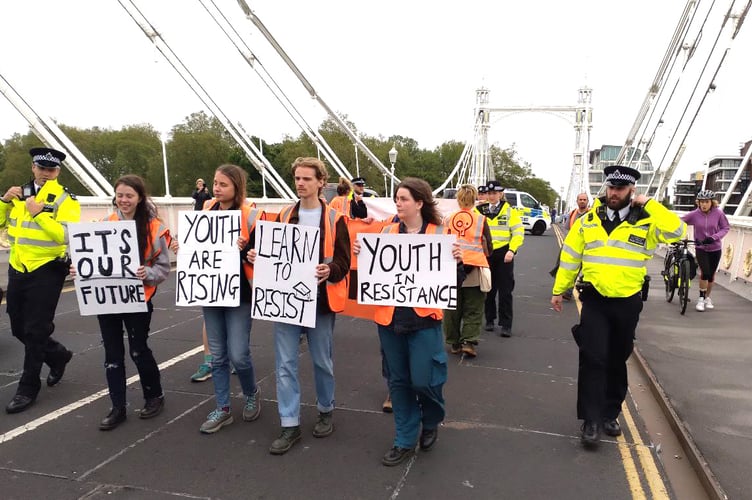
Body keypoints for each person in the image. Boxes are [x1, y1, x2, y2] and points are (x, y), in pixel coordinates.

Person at [551, 165, 686, 448]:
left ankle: (610, 413)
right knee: (593, 358)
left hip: (627, 302)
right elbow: (571, 256)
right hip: (595, 299)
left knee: (616, 358)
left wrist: (650, 204)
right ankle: (590, 420)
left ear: (631, 191)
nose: (614, 193)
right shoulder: (588, 221)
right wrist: (559, 289)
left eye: (621, 189)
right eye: (611, 188)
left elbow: (677, 231)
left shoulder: (646, 222)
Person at [353, 177, 462, 466]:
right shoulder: (385, 232)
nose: (398, 203)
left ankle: (431, 420)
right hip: (389, 321)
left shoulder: (439, 234)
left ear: (419, 203)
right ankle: (403, 438)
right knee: (398, 382)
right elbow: (367, 273)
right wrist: (360, 255)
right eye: (396, 199)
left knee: (425, 381)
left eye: (403, 199)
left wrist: (457, 262)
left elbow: (454, 282)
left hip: (424, 321)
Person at [249, 157, 350, 455]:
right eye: (297, 178)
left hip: (319, 303)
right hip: (286, 302)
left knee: (322, 361)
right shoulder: (281, 216)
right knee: (285, 364)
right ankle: (289, 423)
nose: (301, 183)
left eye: (307, 178)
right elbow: (264, 252)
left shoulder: (335, 219)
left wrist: (329, 271)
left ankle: (325, 410)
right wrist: (255, 257)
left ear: (321, 182)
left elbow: (344, 262)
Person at [84, 175, 170, 430]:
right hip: (108, 298)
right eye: (119, 195)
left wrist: (148, 273)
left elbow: (163, 268)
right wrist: (82, 271)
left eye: (129, 196)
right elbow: (93, 258)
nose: (123, 200)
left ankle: (154, 395)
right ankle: (118, 406)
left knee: (138, 349)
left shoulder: (153, 227)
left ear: (140, 198)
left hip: (138, 298)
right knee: (112, 354)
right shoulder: (104, 224)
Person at [1, 147, 80, 414]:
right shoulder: (18, 194)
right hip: (18, 266)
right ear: (33, 168)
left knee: (35, 330)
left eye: (51, 169)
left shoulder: (64, 198)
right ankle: (58, 355)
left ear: (58, 171)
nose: (46, 174)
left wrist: (38, 213)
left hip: (47, 269)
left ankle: (28, 387)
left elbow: (64, 236)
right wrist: (3, 201)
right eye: (41, 168)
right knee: (17, 327)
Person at [197, 164, 263, 434]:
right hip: (212, 292)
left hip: (241, 294)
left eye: (223, 184)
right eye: (215, 183)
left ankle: (251, 392)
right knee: (218, 356)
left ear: (237, 187)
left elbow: (263, 254)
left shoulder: (250, 216)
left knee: (239, 354)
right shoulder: (206, 212)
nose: (216, 188)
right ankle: (223, 408)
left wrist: (247, 249)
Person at [443, 185, 492, 357]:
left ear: (458, 198)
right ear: (475, 199)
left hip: (451, 269)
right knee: (473, 308)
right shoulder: (481, 220)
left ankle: (454, 342)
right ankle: (469, 342)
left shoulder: (448, 219)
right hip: (474, 269)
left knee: (451, 309)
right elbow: (489, 247)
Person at [478, 180, 524, 337]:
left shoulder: (511, 212)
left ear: (500, 194)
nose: (491, 196)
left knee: (505, 291)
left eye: (494, 193)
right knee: (487, 289)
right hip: (486, 254)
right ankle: (489, 319)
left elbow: (518, 233)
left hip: (504, 254)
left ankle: (506, 324)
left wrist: (512, 250)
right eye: (489, 193)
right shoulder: (480, 210)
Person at [682, 190, 730, 311]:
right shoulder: (694, 214)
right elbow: (680, 222)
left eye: (706, 202)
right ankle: (701, 299)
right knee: (705, 272)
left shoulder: (718, 213)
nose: (703, 204)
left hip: (715, 248)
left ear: (712, 202)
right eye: (701, 202)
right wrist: (680, 235)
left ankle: (707, 297)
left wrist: (714, 237)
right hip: (700, 248)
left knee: (711, 275)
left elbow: (725, 228)